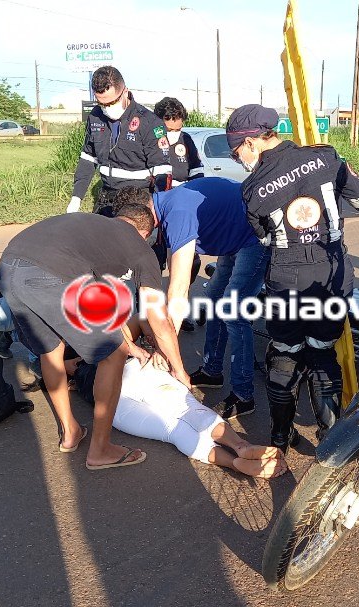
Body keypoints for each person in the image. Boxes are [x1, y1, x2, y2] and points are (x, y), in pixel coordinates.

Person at [0, 203, 191, 470]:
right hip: (49, 274)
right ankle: (101, 450)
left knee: (51, 350)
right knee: (113, 354)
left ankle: (70, 432)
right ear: (146, 233)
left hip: (8, 267)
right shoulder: (139, 246)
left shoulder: (95, 230)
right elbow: (158, 317)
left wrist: (131, 345)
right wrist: (179, 370)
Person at [225, 104, 359, 451]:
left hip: (285, 274)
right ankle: (330, 437)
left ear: (251, 142)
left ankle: (280, 435)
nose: (238, 160)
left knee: (284, 353)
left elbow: (265, 239)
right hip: (331, 272)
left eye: (236, 152)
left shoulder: (251, 189)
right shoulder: (327, 158)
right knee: (322, 352)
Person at [116, 179, 268, 418]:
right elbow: (175, 274)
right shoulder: (165, 207)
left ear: (143, 215)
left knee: (233, 311)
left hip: (254, 239)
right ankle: (212, 371)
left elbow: (178, 289)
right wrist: (162, 334)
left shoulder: (177, 214)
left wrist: (164, 349)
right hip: (233, 238)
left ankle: (243, 396)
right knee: (213, 297)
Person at [66, 355, 286, 479]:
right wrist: (177, 369)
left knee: (172, 430)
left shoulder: (65, 348)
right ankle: (241, 446)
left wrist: (73, 372)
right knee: (191, 410)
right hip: (140, 366)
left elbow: (59, 369)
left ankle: (233, 463)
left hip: (111, 396)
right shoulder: (107, 322)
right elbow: (149, 324)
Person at [68, 66, 172, 216]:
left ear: (125, 92)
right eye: (101, 103)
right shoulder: (96, 117)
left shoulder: (149, 122)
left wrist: (157, 208)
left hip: (138, 197)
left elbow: (162, 172)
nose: (107, 108)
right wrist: (76, 198)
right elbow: (88, 158)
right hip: (107, 196)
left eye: (112, 102)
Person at [153, 97, 203, 187]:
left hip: (182, 191)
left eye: (178, 130)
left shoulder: (185, 139)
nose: (174, 133)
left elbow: (196, 169)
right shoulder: (149, 139)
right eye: (169, 130)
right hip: (156, 192)